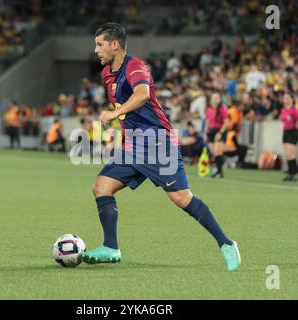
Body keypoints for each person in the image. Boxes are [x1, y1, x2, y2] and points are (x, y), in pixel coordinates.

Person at [78, 23, 241, 272]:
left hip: (157, 141)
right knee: (102, 187)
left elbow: (142, 95)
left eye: (99, 44)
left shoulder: (136, 66)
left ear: (115, 44)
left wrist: (116, 113)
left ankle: (227, 244)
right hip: (133, 143)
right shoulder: (106, 74)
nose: (96, 50)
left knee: (181, 198)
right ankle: (111, 248)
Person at [205, 92, 229, 178]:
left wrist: (220, 133)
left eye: (218, 98)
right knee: (214, 152)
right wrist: (205, 132)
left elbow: (226, 122)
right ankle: (218, 170)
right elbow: (208, 121)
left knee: (218, 151)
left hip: (219, 130)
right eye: (214, 98)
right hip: (211, 131)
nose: (216, 100)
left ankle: (220, 172)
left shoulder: (222, 108)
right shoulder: (208, 109)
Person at [280, 92, 298, 182]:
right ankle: (290, 174)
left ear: (292, 99)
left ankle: (294, 174)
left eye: (287, 97)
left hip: (292, 131)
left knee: (291, 153)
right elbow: (282, 119)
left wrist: (296, 130)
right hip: (285, 131)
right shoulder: (284, 109)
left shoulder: (295, 110)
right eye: (284, 97)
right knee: (287, 154)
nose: (285, 99)